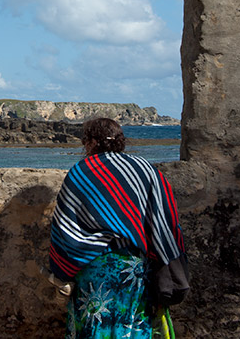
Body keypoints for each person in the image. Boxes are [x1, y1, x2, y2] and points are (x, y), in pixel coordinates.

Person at [48, 118, 188, 338]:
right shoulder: (145, 170)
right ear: (121, 141)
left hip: (94, 271)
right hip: (136, 271)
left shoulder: (80, 173)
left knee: (94, 329)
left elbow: (66, 228)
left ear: (90, 142)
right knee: (133, 327)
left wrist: (60, 270)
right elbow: (164, 218)